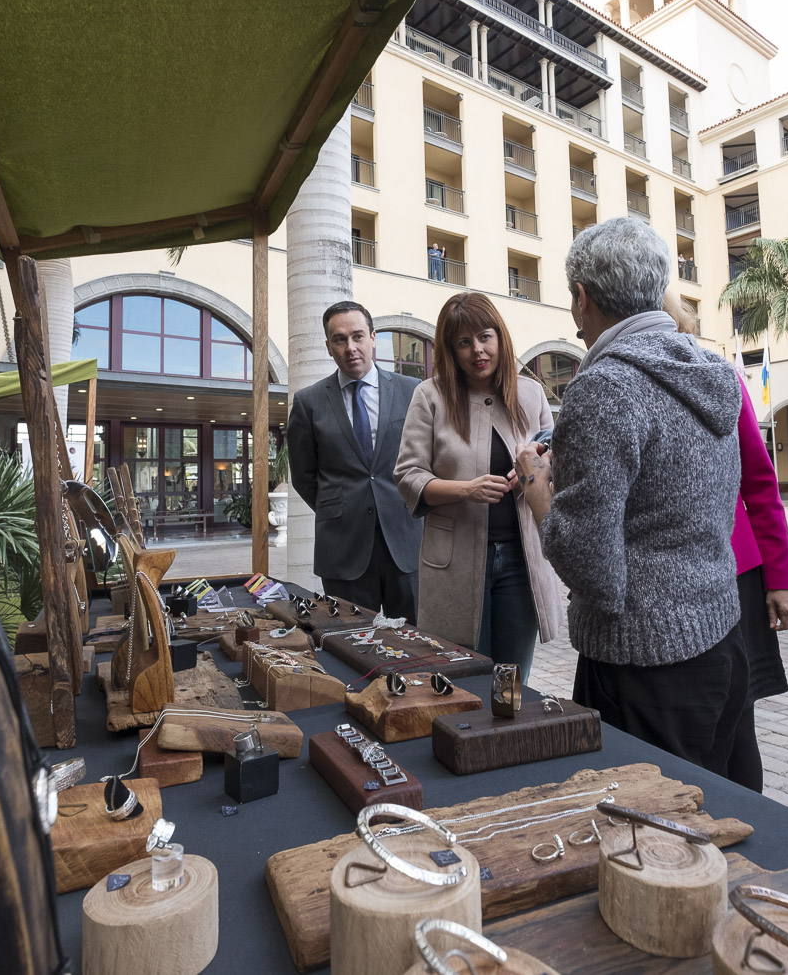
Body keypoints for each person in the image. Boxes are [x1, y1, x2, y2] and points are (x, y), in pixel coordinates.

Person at [517, 217, 748, 776]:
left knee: (650, 840)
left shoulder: (606, 385)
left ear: (582, 297)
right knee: (720, 818)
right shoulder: (709, 367)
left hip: (643, 659)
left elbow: (591, 563)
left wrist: (536, 485)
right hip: (720, 634)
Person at [664, 292, 788, 791]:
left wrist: (782, 578)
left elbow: (760, 481)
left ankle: (744, 829)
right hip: (666, 582)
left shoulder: (718, 375)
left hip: (737, 575)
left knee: (736, 721)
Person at [394, 292, 562, 679]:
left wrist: (536, 469)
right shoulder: (430, 395)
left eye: (485, 337)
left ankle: (510, 739)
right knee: (465, 675)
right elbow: (408, 475)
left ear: (500, 336)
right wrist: (466, 490)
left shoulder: (531, 392)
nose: (477, 351)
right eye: (464, 342)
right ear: (451, 350)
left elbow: (551, 464)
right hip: (456, 558)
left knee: (512, 678)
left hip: (522, 558)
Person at [286, 301, 422, 619]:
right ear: (328, 346)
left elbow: (426, 459)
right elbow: (304, 475)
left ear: (373, 338)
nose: (351, 348)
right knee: (350, 644)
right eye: (340, 339)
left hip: (406, 542)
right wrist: (340, 508)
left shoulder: (412, 391)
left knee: (418, 644)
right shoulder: (309, 403)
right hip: (343, 549)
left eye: (358, 336)